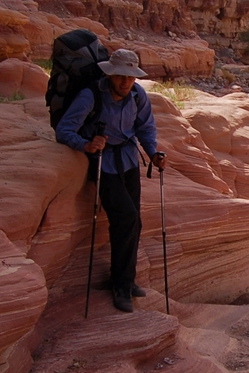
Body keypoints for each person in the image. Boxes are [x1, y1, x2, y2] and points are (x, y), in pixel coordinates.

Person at [55, 48, 166, 313]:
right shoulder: (91, 95)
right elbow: (64, 130)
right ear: (110, 74)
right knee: (126, 218)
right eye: (121, 76)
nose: (126, 82)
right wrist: (86, 145)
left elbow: (145, 128)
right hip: (103, 163)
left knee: (133, 221)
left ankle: (124, 279)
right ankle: (121, 286)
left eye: (131, 77)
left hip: (127, 160)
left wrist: (153, 153)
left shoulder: (138, 95)